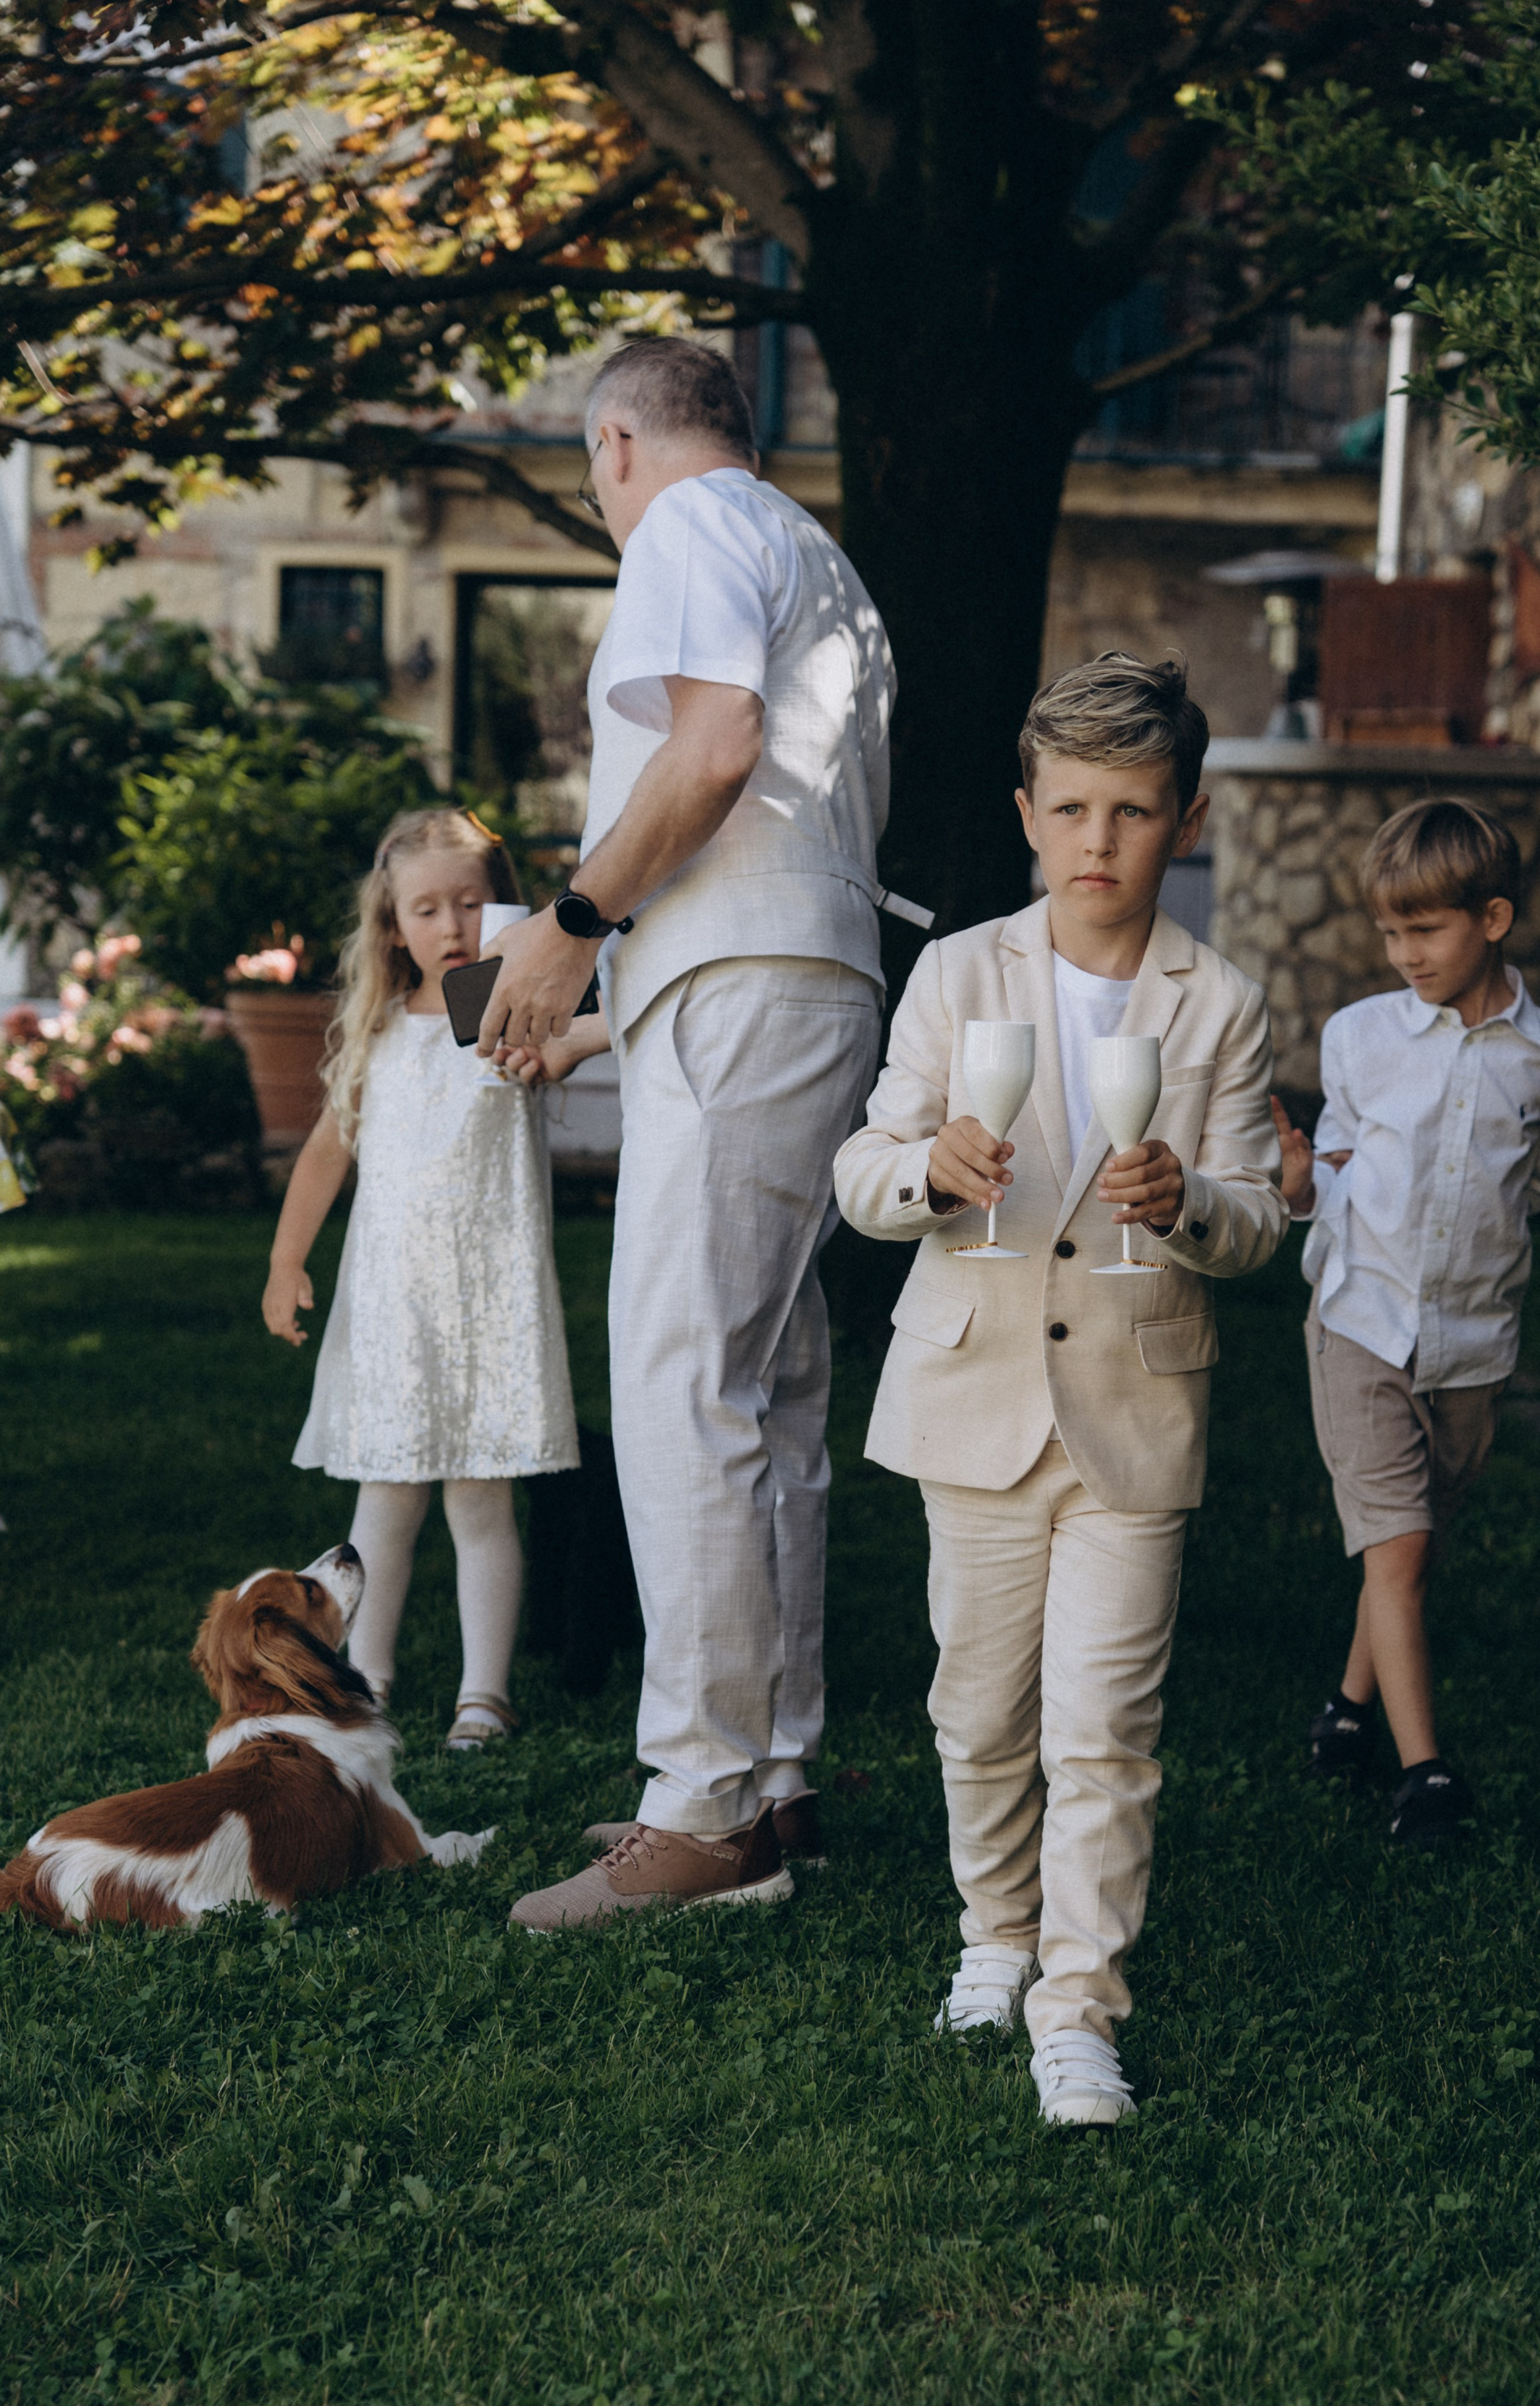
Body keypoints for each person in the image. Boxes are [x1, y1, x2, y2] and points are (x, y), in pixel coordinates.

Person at [833, 654, 1287, 2125]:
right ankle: (995, 1934)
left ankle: (1079, 2007)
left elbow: (1257, 1218)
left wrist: (1191, 1201)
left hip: (1134, 1414)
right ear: (1028, 814)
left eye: (1135, 812)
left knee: (1105, 1729)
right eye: (1074, 809)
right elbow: (861, 1171)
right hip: (971, 1392)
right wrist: (927, 1169)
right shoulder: (959, 972)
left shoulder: (1220, 1002)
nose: (1101, 841)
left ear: (1186, 822)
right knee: (976, 1709)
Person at [497, 337, 897, 1930]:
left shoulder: (687, 523)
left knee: (681, 1377)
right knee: (770, 1386)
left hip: (741, 982)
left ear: (616, 444)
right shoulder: (820, 556)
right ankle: (775, 1774)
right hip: (805, 975)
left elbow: (715, 745)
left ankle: (704, 1809)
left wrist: (569, 924)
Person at [1274, 795, 1540, 1849]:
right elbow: (1334, 1168)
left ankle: (1345, 1712)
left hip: (1472, 1345)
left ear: (1493, 919)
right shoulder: (1360, 1037)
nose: (1403, 953)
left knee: (1408, 1552)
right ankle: (1426, 1779)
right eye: (1389, 932)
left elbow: (1533, 1186)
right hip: (1362, 1319)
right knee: (1400, 1543)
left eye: (1425, 930)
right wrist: (1298, 1184)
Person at [263, 808, 580, 1749]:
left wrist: (559, 1014)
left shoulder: (515, 1016)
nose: (452, 926)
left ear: (505, 907)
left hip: (492, 1300)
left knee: (482, 1499)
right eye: (428, 909)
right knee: (386, 1501)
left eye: (472, 904)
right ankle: (367, 1680)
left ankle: (485, 1694)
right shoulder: (377, 1031)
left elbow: (619, 1024)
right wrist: (286, 1262)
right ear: (393, 925)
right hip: (394, 1307)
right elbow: (328, 1152)